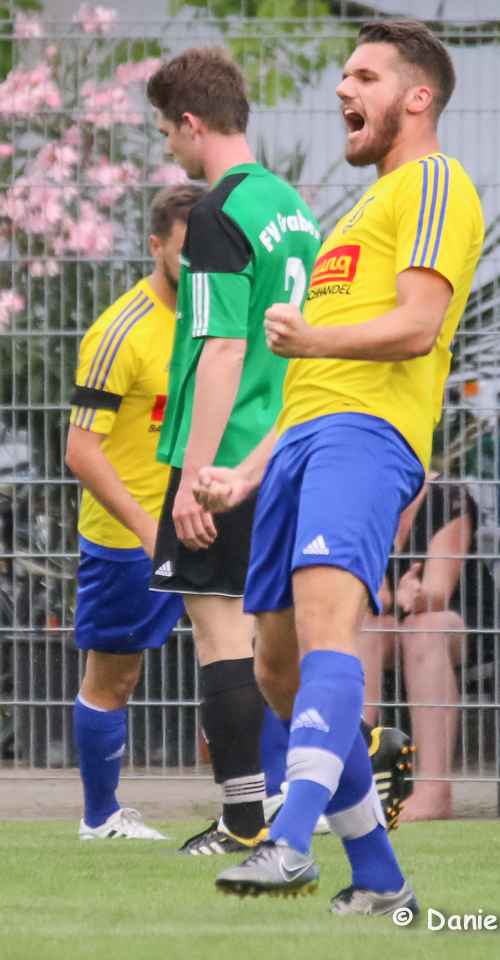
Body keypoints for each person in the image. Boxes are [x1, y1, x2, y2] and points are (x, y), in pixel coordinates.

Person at [196, 20, 484, 916]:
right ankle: (382, 880)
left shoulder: (434, 182)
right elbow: (309, 378)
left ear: (418, 96)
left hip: (366, 437)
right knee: (277, 668)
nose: (341, 89)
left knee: (327, 631)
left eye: (364, 76)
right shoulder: (357, 212)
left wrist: (313, 337)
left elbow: (419, 326)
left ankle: (289, 844)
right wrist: (248, 471)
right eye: (343, 76)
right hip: (302, 445)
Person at [144, 49, 321, 855]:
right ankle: (333, 781)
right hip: (286, 442)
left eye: (166, 131)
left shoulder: (218, 213)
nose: (169, 148)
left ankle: (245, 821)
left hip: (226, 457)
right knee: (282, 647)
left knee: (221, 635)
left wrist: (195, 478)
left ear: (191, 122)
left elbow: (221, 346)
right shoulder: (293, 207)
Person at [67, 184, 202, 839]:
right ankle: (100, 819)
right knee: (114, 679)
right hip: (129, 539)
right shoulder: (120, 331)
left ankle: (271, 800)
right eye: (187, 250)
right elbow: (80, 451)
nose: (201, 264)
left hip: (208, 522)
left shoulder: (223, 318)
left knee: (260, 656)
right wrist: (150, 531)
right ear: (155, 247)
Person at [360, 472, 489, 822]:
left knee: (423, 626)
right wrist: (388, 595)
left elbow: (437, 594)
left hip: (453, 619)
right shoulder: (359, 497)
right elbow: (375, 598)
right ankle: (352, 772)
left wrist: (411, 596)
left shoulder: (449, 498)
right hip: (390, 621)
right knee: (366, 625)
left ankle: (434, 792)